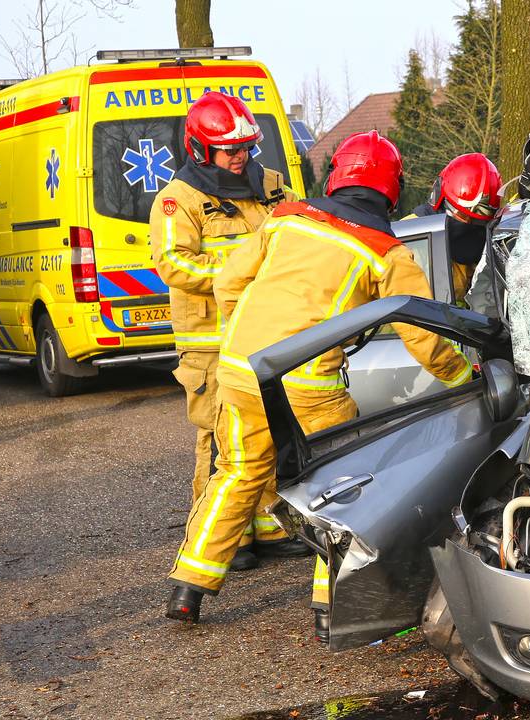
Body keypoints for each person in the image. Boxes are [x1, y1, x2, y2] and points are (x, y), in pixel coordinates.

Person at [165, 130, 472, 623]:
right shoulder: (385, 251)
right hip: (309, 387)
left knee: (237, 474)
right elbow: (423, 335)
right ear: (391, 188)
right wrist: (464, 379)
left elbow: (227, 283)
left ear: (338, 175)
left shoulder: (285, 219)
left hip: (243, 371)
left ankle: (187, 588)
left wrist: (242, 335)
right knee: (340, 490)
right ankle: (331, 607)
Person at [149, 91, 307, 571]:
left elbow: (304, 235)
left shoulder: (273, 187)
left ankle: (268, 527)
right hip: (212, 344)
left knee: (271, 430)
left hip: (269, 334)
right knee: (218, 442)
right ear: (201, 149)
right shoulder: (179, 200)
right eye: (229, 149)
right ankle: (221, 540)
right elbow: (174, 264)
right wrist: (247, 268)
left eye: (245, 147)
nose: (240, 157)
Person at [404, 153, 502, 301]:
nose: (467, 224)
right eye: (462, 216)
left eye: (477, 222)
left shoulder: (482, 245)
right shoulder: (408, 237)